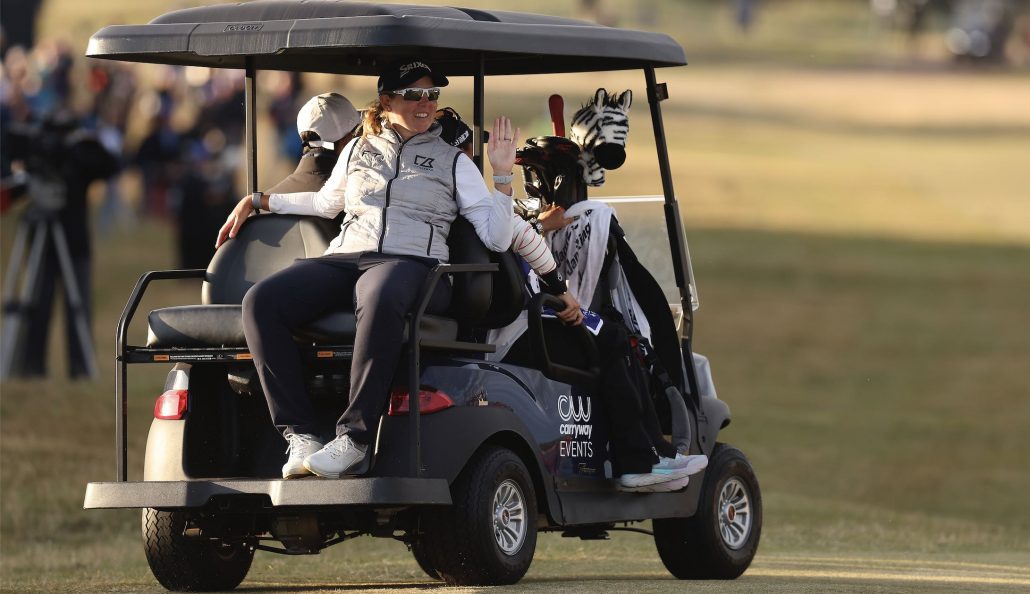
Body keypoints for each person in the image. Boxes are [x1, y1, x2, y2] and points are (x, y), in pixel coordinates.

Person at [216, 58, 516, 480]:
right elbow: (326, 203)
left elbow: (497, 238)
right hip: (348, 257)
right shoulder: (359, 148)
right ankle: (301, 434)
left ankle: (354, 439)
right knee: (261, 301)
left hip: (415, 265)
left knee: (379, 292)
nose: (425, 103)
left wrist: (502, 176)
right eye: (414, 95)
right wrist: (261, 200)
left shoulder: (454, 162)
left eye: (432, 95)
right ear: (387, 100)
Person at [436, 108, 706, 492]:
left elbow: (510, 234)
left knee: (615, 338)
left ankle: (654, 453)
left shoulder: (432, 200)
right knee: (615, 339)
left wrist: (541, 225)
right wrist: (561, 291)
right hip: (513, 330)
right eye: (465, 152)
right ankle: (635, 462)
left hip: (506, 323)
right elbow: (507, 238)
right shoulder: (469, 200)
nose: (469, 160)